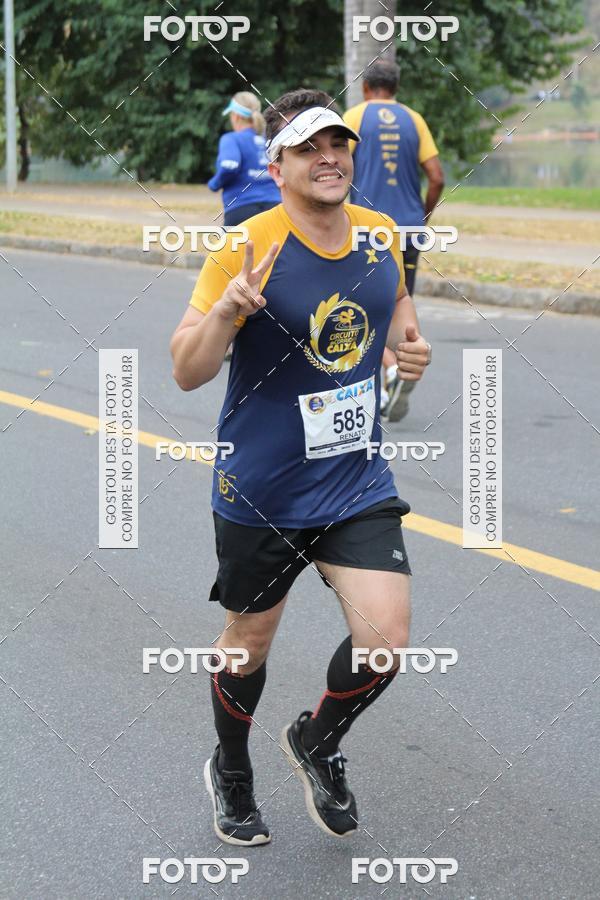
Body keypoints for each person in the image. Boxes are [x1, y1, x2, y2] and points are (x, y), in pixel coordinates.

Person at [170, 88, 431, 847]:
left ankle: (317, 740)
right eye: (310, 148)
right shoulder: (246, 244)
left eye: (338, 145)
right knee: (248, 644)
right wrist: (227, 313)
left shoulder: (380, 235)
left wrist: (405, 353)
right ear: (277, 165)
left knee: (387, 635)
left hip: (355, 481)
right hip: (262, 489)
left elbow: (396, 321)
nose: (330, 158)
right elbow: (186, 370)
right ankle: (232, 767)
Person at [344, 60, 444, 421]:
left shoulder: (354, 117)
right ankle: (397, 365)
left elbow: (337, 170)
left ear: (366, 87)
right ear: (395, 87)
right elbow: (436, 177)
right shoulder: (414, 119)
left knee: (360, 305)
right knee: (401, 302)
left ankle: (388, 369)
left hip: (367, 229)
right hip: (407, 228)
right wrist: (423, 215)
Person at [208, 91, 280, 226]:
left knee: (230, 247)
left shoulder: (231, 139)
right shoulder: (270, 139)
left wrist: (214, 184)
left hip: (241, 208)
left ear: (235, 116)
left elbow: (229, 166)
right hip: (276, 207)